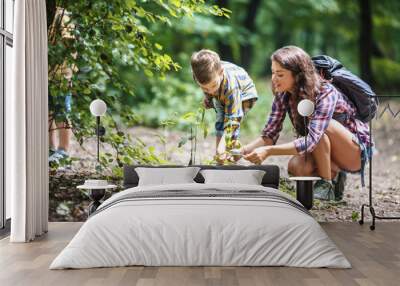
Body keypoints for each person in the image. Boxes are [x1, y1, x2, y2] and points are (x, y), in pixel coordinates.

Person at [241, 46, 372, 201]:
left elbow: (312, 140)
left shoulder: (326, 92)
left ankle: (327, 184)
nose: (274, 79)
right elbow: (269, 135)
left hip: (355, 152)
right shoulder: (283, 95)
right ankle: (335, 174)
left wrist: (268, 151)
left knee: (323, 128)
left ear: (297, 76)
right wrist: (240, 151)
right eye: (273, 72)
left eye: (280, 74)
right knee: (297, 167)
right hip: (322, 147)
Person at [191, 49, 258, 163]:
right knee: (220, 121)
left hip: (245, 95)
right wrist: (208, 97)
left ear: (221, 72)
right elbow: (210, 89)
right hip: (222, 93)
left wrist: (222, 147)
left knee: (229, 123)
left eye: (213, 86)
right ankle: (222, 156)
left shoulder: (231, 87)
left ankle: (225, 154)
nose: (210, 91)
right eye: (205, 88)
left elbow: (233, 118)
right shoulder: (201, 76)